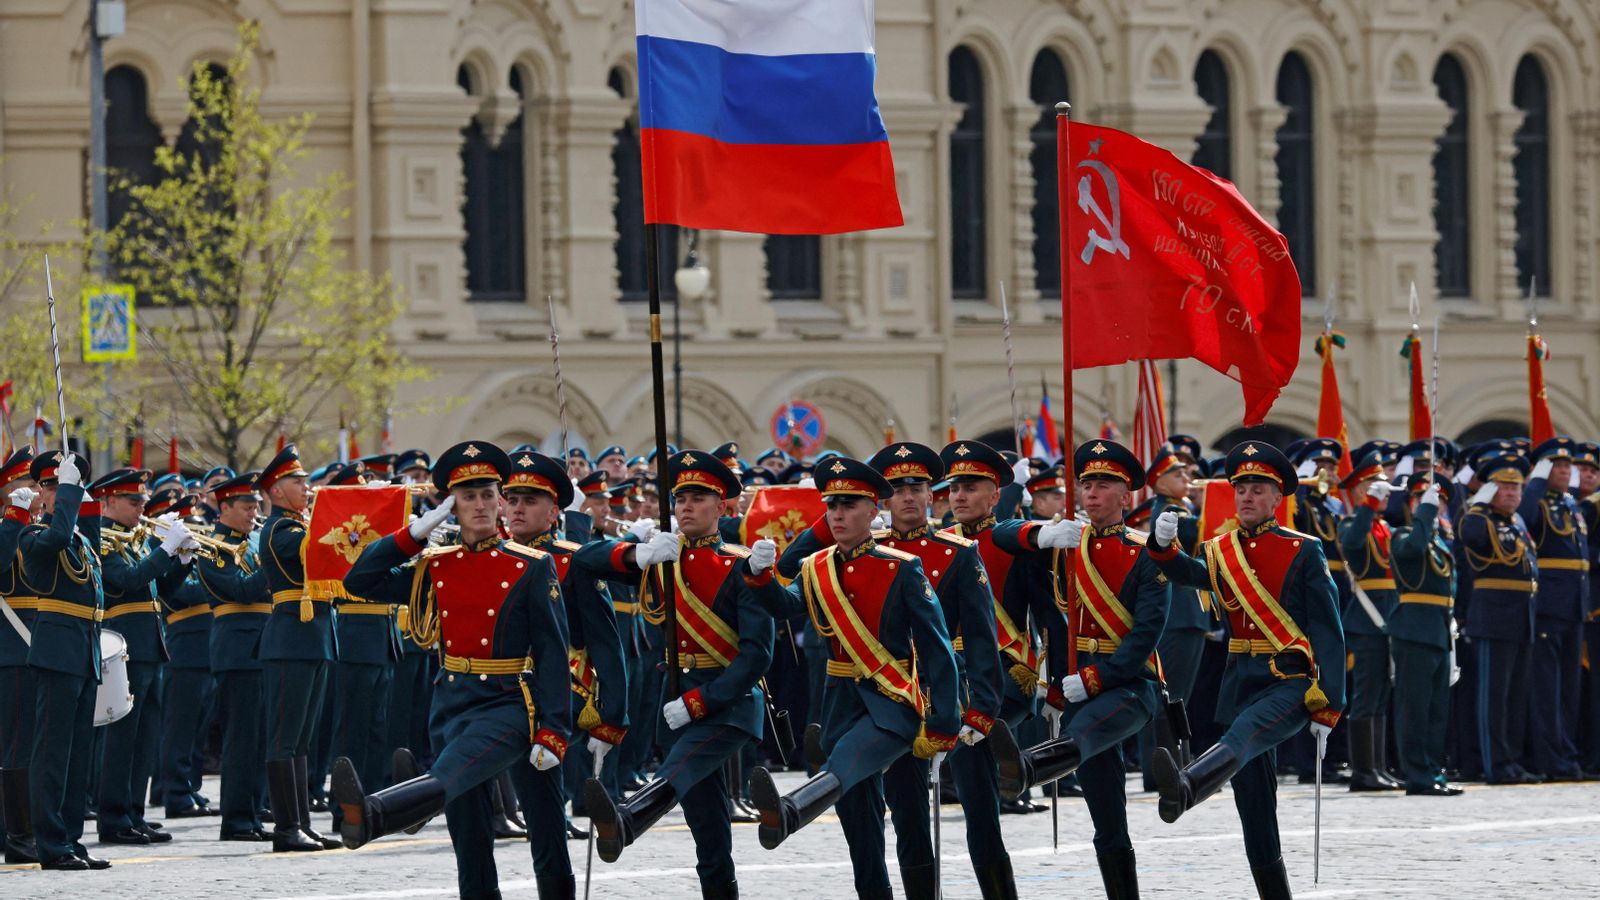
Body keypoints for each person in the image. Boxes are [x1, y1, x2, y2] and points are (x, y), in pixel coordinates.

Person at [335, 440, 574, 900]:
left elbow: (552, 652)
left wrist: (554, 729)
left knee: (540, 826)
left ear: (501, 500)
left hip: (511, 702)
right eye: (468, 497)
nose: (481, 505)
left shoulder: (530, 566)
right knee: (469, 837)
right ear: (452, 505)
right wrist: (411, 535)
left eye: (488, 494)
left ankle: (374, 814)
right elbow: (358, 582)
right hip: (453, 702)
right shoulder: (435, 566)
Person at [776, 441, 1002, 899]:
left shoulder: (955, 553)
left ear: (931, 494)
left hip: (922, 697)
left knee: (918, 817)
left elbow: (979, 640)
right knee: (858, 819)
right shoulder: (854, 550)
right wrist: (836, 506)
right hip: (854, 698)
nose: (908, 497)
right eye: (896, 489)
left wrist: (978, 711)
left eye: (917, 487)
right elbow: (786, 569)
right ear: (882, 499)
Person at [1147, 440, 1345, 899]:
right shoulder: (1220, 551)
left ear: (1278, 498)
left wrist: (1329, 704)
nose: (1248, 498)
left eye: (1259, 489)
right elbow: (1188, 574)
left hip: (1290, 681)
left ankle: (1187, 785)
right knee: (1254, 804)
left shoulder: (1303, 550)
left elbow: (1329, 632)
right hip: (1241, 680)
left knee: (1246, 734)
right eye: (1242, 490)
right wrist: (1161, 547)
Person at [582, 450, 779, 900]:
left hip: (726, 705)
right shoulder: (660, 560)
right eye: (680, 498)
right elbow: (585, 563)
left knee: (679, 768)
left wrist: (700, 703)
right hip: (676, 700)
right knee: (707, 829)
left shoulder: (742, 564)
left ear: (722, 507)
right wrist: (635, 552)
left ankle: (628, 820)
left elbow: (756, 656)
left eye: (698, 498)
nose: (686, 506)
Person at [989, 439, 1170, 897]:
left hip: (1128, 685)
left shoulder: (1147, 552)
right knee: (1106, 815)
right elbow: (998, 533)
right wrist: (1041, 534)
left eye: (1104, 484)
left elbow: (1146, 634)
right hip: (1073, 684)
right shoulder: (1063, 544)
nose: (1091, 493)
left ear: (1126, 495)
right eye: (1086, 483)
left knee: (1084, 733)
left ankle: (1026, 768)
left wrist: (1095, 679)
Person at [933, 439, 1074, 897]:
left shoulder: (1009, 538)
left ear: (995, 495)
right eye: (954, 488)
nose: (959, 496)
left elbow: (1051, 612)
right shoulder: (938, 544)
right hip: (945, 677)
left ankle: (1024, 769)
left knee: (974, 758)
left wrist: (1059, 680)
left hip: (1004, 676)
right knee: (976, 804)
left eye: (971, 488)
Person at [500, 448, 629, 897]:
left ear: (555, 511)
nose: (517, 507)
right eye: (511, 497)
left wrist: (611, 717)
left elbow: (606, 641)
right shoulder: (488, 555)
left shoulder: (575, 559)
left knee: (543, 815)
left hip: (556, 698)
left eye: (530, 499)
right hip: (494, 695)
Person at [90, 467, 196, 845]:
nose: (141, 508)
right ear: (109, 501)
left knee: (144, 738)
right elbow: (127, 581)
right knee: (122, 738)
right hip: (124, 647)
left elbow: (161, 591)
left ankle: (133, 812)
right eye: (133, 501)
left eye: (142, 501)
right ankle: (113, 816)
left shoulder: (134, 540)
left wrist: (181, 561)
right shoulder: (102, 539)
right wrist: (165, 550)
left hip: (150, 646)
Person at [21, 451, 113, 869]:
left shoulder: (82, 542)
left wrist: (83, 490)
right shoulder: (34, 536)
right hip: (57, 652)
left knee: (78, 757)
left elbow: (83, 528)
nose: (63, 494)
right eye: (54, 486)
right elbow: (58, 536)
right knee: (53, 754)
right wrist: (71, 492)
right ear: (41, 493)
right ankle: (51, 843)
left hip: (84, 650)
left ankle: (72, 839)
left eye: (67, 486)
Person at [254, 444, 340, 852]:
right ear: (274, 490)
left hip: (313, 639)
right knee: (284, 738)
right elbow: (323, 550)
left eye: (305, 480)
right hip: (291, 640)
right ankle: (286, 828)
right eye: (296, 481)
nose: (306, 487)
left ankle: (302, 823)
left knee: (302, 739)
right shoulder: (280, 531)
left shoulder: (299, 526)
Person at [198, 472, 274, 841]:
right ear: (223, 507)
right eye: (246, 507)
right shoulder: (211, 547)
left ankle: (255, 811)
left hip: (266, 645)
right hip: (237, 649)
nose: (253, 513)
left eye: (256, 506)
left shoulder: (256, 542)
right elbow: (241, 591)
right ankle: (237, 819)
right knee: (241, 739)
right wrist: (272, 564)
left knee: (260, 737)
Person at [1460, 452, 1541, 784]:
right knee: (1493, 699)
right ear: (1490, 491)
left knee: (1514, 697)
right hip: (1494, 617)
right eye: (1504, 488)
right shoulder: (1480, 519)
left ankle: (1512, 760)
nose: (1513, 494)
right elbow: (1471, 536)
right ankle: (1496, 764)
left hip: (1522, 617)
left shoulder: (1516, 523)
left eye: (1517, 488)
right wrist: (1479, 504)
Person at [1518, 437, 1589, 780]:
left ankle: (1567, 754)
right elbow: (1524, 519)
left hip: (1574, 608)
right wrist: (1535, 481)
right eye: (1556, 466)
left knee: (1569, 690)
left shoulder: (1571, 505)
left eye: (1566, 466)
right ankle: (1550, 758)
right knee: (1548, 690)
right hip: (1548, 606)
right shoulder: (1539, 502)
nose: (1564, 471)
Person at [1388, 476, 1462, 795]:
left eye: (1437, 501)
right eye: (1422, 499)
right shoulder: (1403, 536)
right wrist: (1424, 515)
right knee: (1414, 709)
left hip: (1439, 630)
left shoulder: (1440, 542)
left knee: (1436, 711)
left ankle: (1433, 771)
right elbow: (1414, 548)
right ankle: (1417, 776)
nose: (1434, 506)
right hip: (1414, 630)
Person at [1336, 452, 1404, 791]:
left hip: (1389, 616)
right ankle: (1363, 771)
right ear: (1359, 491)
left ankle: (1378, 766)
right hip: (1366, 619)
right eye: (1373, 486)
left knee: (1380, 694)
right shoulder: (1353, 523)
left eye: (1383, 487)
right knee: (1365, 695)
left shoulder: (1386, 528)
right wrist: (1367, 505)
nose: (1383, 492)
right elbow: (1349, 544)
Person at [149, 488, 218, 820]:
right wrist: (217, 582)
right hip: (184, 646)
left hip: (206, 646)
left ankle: (190, 787)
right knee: (180, 727)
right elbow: (179, 596)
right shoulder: (162, 557)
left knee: (198, 728)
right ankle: (174, 792)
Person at [0, 447, 38, 864]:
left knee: (24, 745)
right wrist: (13, 518)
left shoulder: (32, 530)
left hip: (33, 648)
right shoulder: (8, 527)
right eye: (25, 485)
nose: (33, 492)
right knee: (15, 747)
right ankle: (18, 837)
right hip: (11, 648)